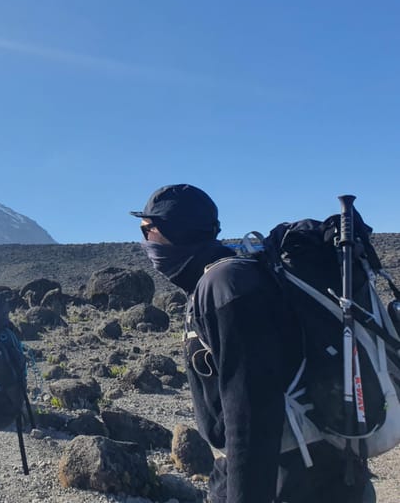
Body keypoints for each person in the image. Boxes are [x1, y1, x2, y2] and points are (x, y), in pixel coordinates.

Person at [132, 184, 373, 503]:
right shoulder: (234, 276)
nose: (144, 240)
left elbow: (249, 413)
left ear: (173, 230)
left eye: (146, 229)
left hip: (292, 481)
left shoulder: (225, 287)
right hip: (322, 472)